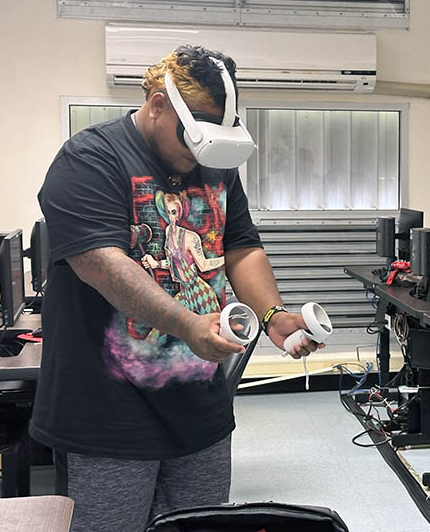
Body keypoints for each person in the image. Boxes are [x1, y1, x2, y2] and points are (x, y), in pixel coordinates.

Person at [31, 45, 321, 532]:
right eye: (189, 140)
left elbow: (241, 247)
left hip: (200, 409)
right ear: (158, 102)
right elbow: (101, 264)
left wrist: (273, 314)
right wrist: (188, 325)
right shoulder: (89, 158)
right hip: (108, 414)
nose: (195, 156)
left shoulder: (215, 164)